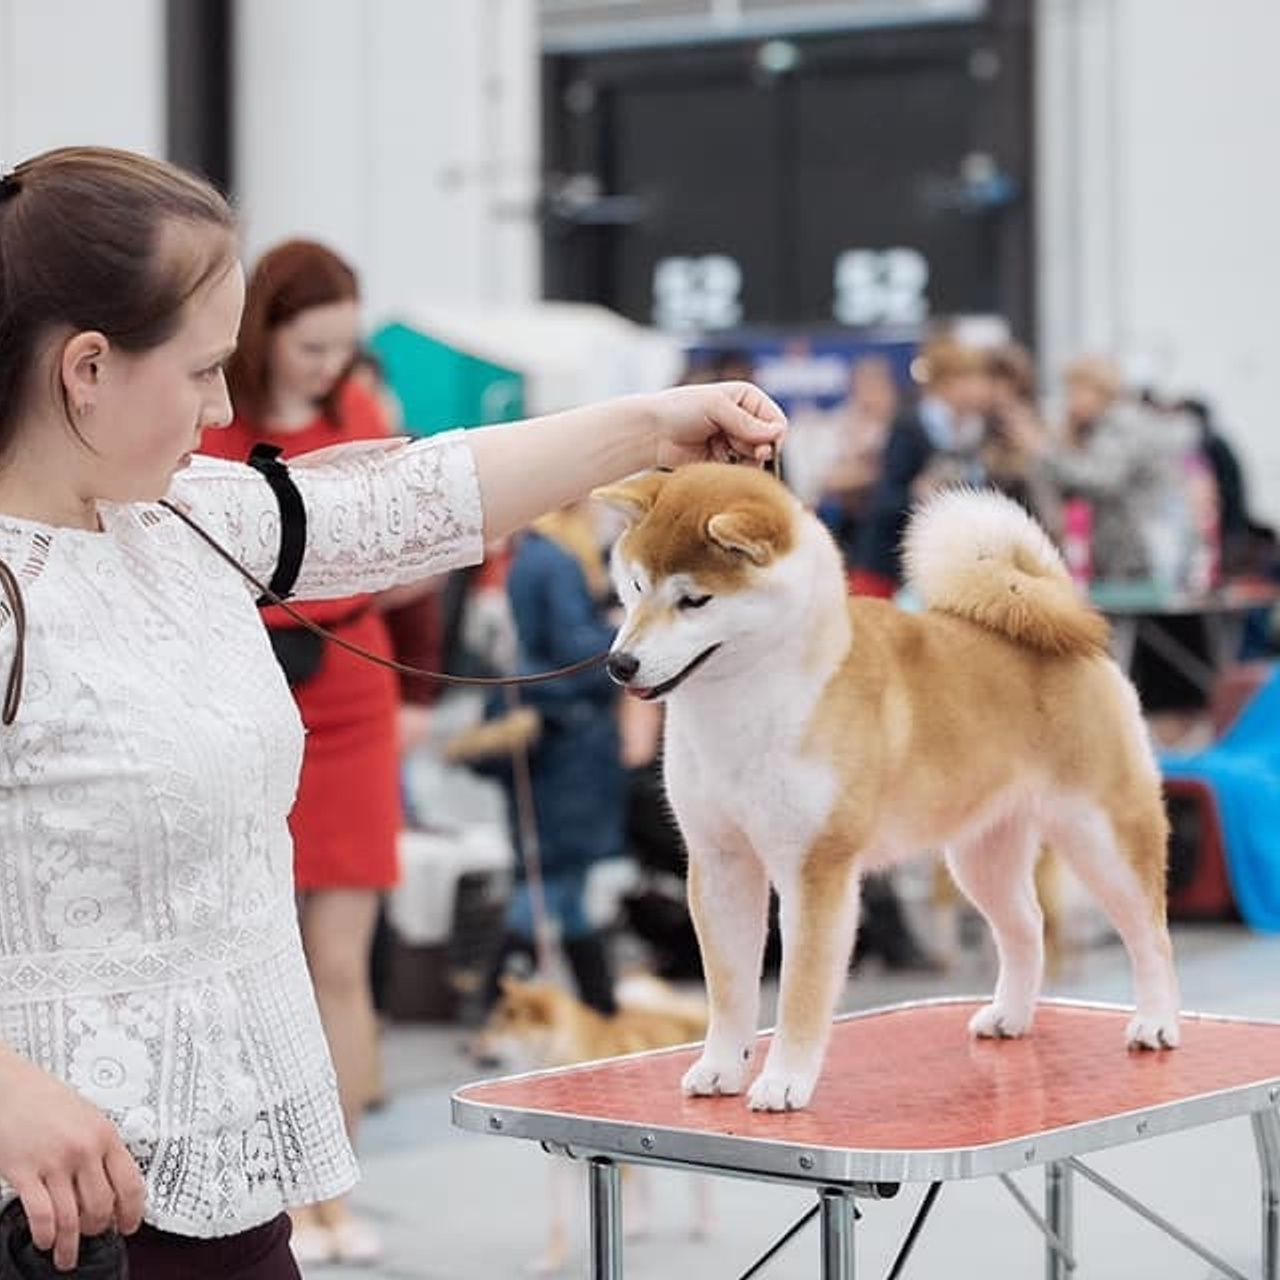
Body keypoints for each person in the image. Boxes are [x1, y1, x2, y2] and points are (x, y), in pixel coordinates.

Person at [0, 144, 785, 1279]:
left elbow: (406, 499)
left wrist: (649, 427)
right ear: (85, 367)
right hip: (49, 1214)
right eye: (204, 368)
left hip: (226, 1184)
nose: (224, 404)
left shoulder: (180, 521)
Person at [196, 239, 404, 1265]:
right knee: (248, 952)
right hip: (233, 683)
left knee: (340, 961)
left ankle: (334, 1188)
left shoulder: (360, 415)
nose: (328, 363)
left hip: (353, 688)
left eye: (343, 347)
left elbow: (409, 552)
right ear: (264, 331)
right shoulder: (207, 423)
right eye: (312, 344)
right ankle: (273, 1190)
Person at [481, 502, 628, 1014]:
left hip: (548, 726)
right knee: (553, 877)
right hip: (571, 736)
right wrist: (624, 634)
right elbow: (574, 648)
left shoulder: (530, 556)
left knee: (558, 879)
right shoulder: (561, 562)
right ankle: (503, 1000)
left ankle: (596, 1004)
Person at [848, 335, 992, 596]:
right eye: (971, 379)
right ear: (947, 383)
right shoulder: (910, 425)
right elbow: (885, 498)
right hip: (890, 566)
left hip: (944, 565)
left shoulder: (975, 430)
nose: (981, 388)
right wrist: (918, 493)